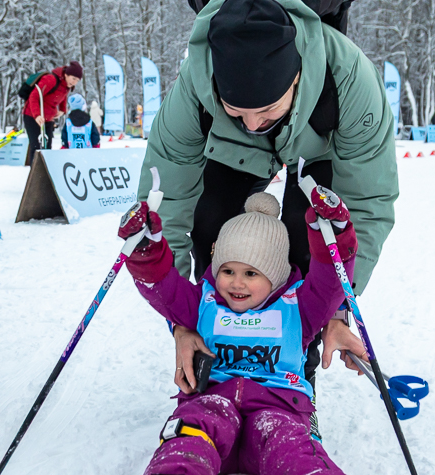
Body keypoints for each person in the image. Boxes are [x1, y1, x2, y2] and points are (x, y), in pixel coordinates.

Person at [136, 0, 397, 402]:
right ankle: (214, 367)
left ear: (295, 78)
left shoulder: (348, 78)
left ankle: (296, 381)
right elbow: (165, 200)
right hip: (226, 153)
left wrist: (339, 306)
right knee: (217, 233)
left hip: (315, 150)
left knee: (309, 234)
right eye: (237, 110)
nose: (255, 125)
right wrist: (181, 322)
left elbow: (365, 200)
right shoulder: (194, 86)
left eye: (267, 110)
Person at [118, 189, 376, 475]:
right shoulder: (203, 303)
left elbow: (330, 279)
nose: (236, 284)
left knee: (288, 440)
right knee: (197, 421)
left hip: (275, 411)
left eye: (251, 274)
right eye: (228, 271)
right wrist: (144, 250)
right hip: (214, 406)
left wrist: (334, 232)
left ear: (274, 272)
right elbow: (163, 286)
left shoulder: (298, 307)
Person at [22, 61, 82, 165]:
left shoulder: (67, 85)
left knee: (47, 148)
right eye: (73, 78)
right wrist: (36, 115)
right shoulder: (50, 80)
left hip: (48, 118)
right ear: (66, 75)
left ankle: (45, 175)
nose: (75, 82)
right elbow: (34, 96)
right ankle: (35, 176)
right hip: (32, 115)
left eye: (77, 80)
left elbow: (63, 96)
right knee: (36, 147)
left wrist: (63, 110)